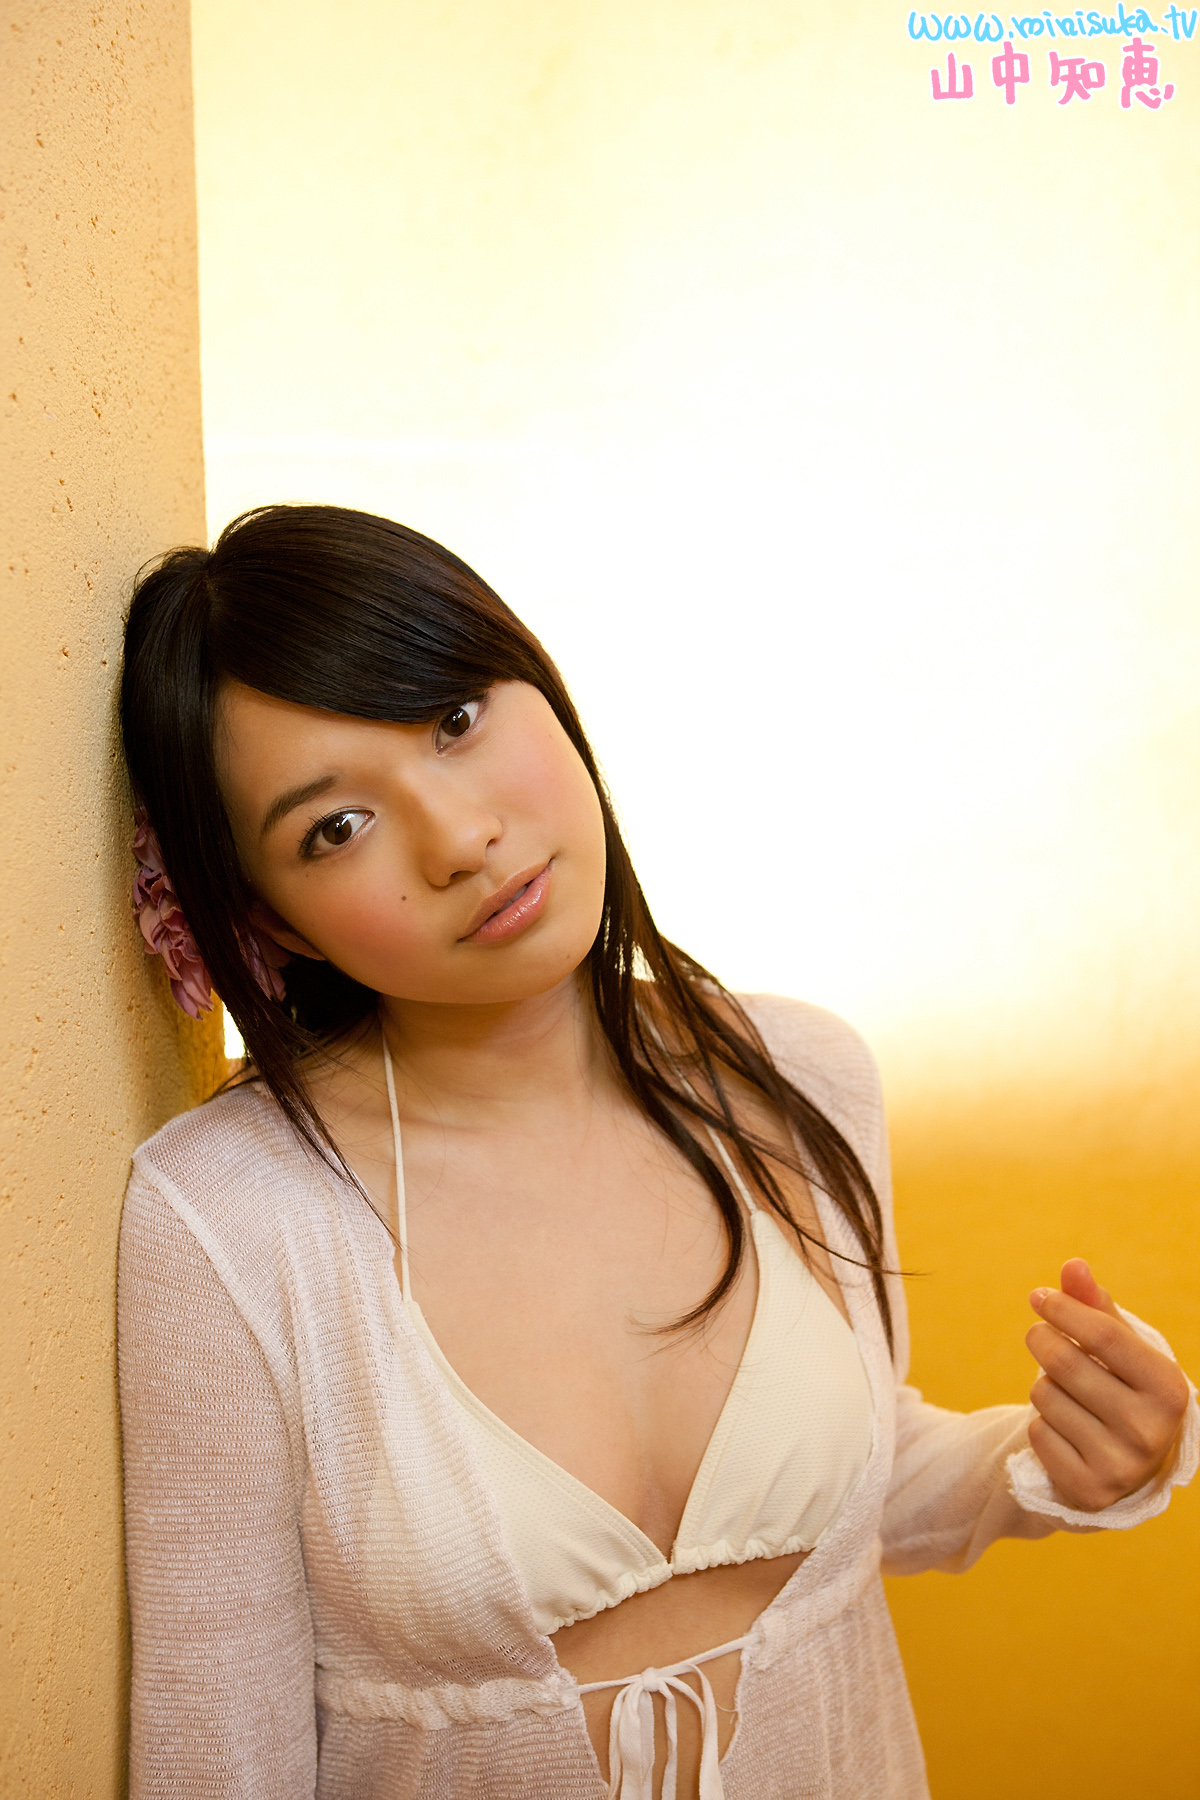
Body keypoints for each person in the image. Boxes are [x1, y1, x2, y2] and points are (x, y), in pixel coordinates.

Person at [117, 504, 1197, 1800]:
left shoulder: (798, 1079)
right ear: (270, 920)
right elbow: (217, 1752)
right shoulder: (230, 1221)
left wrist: (1055, 1460)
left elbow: (838, 1498)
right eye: (335, 828)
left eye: (455, 718)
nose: (460, 840)